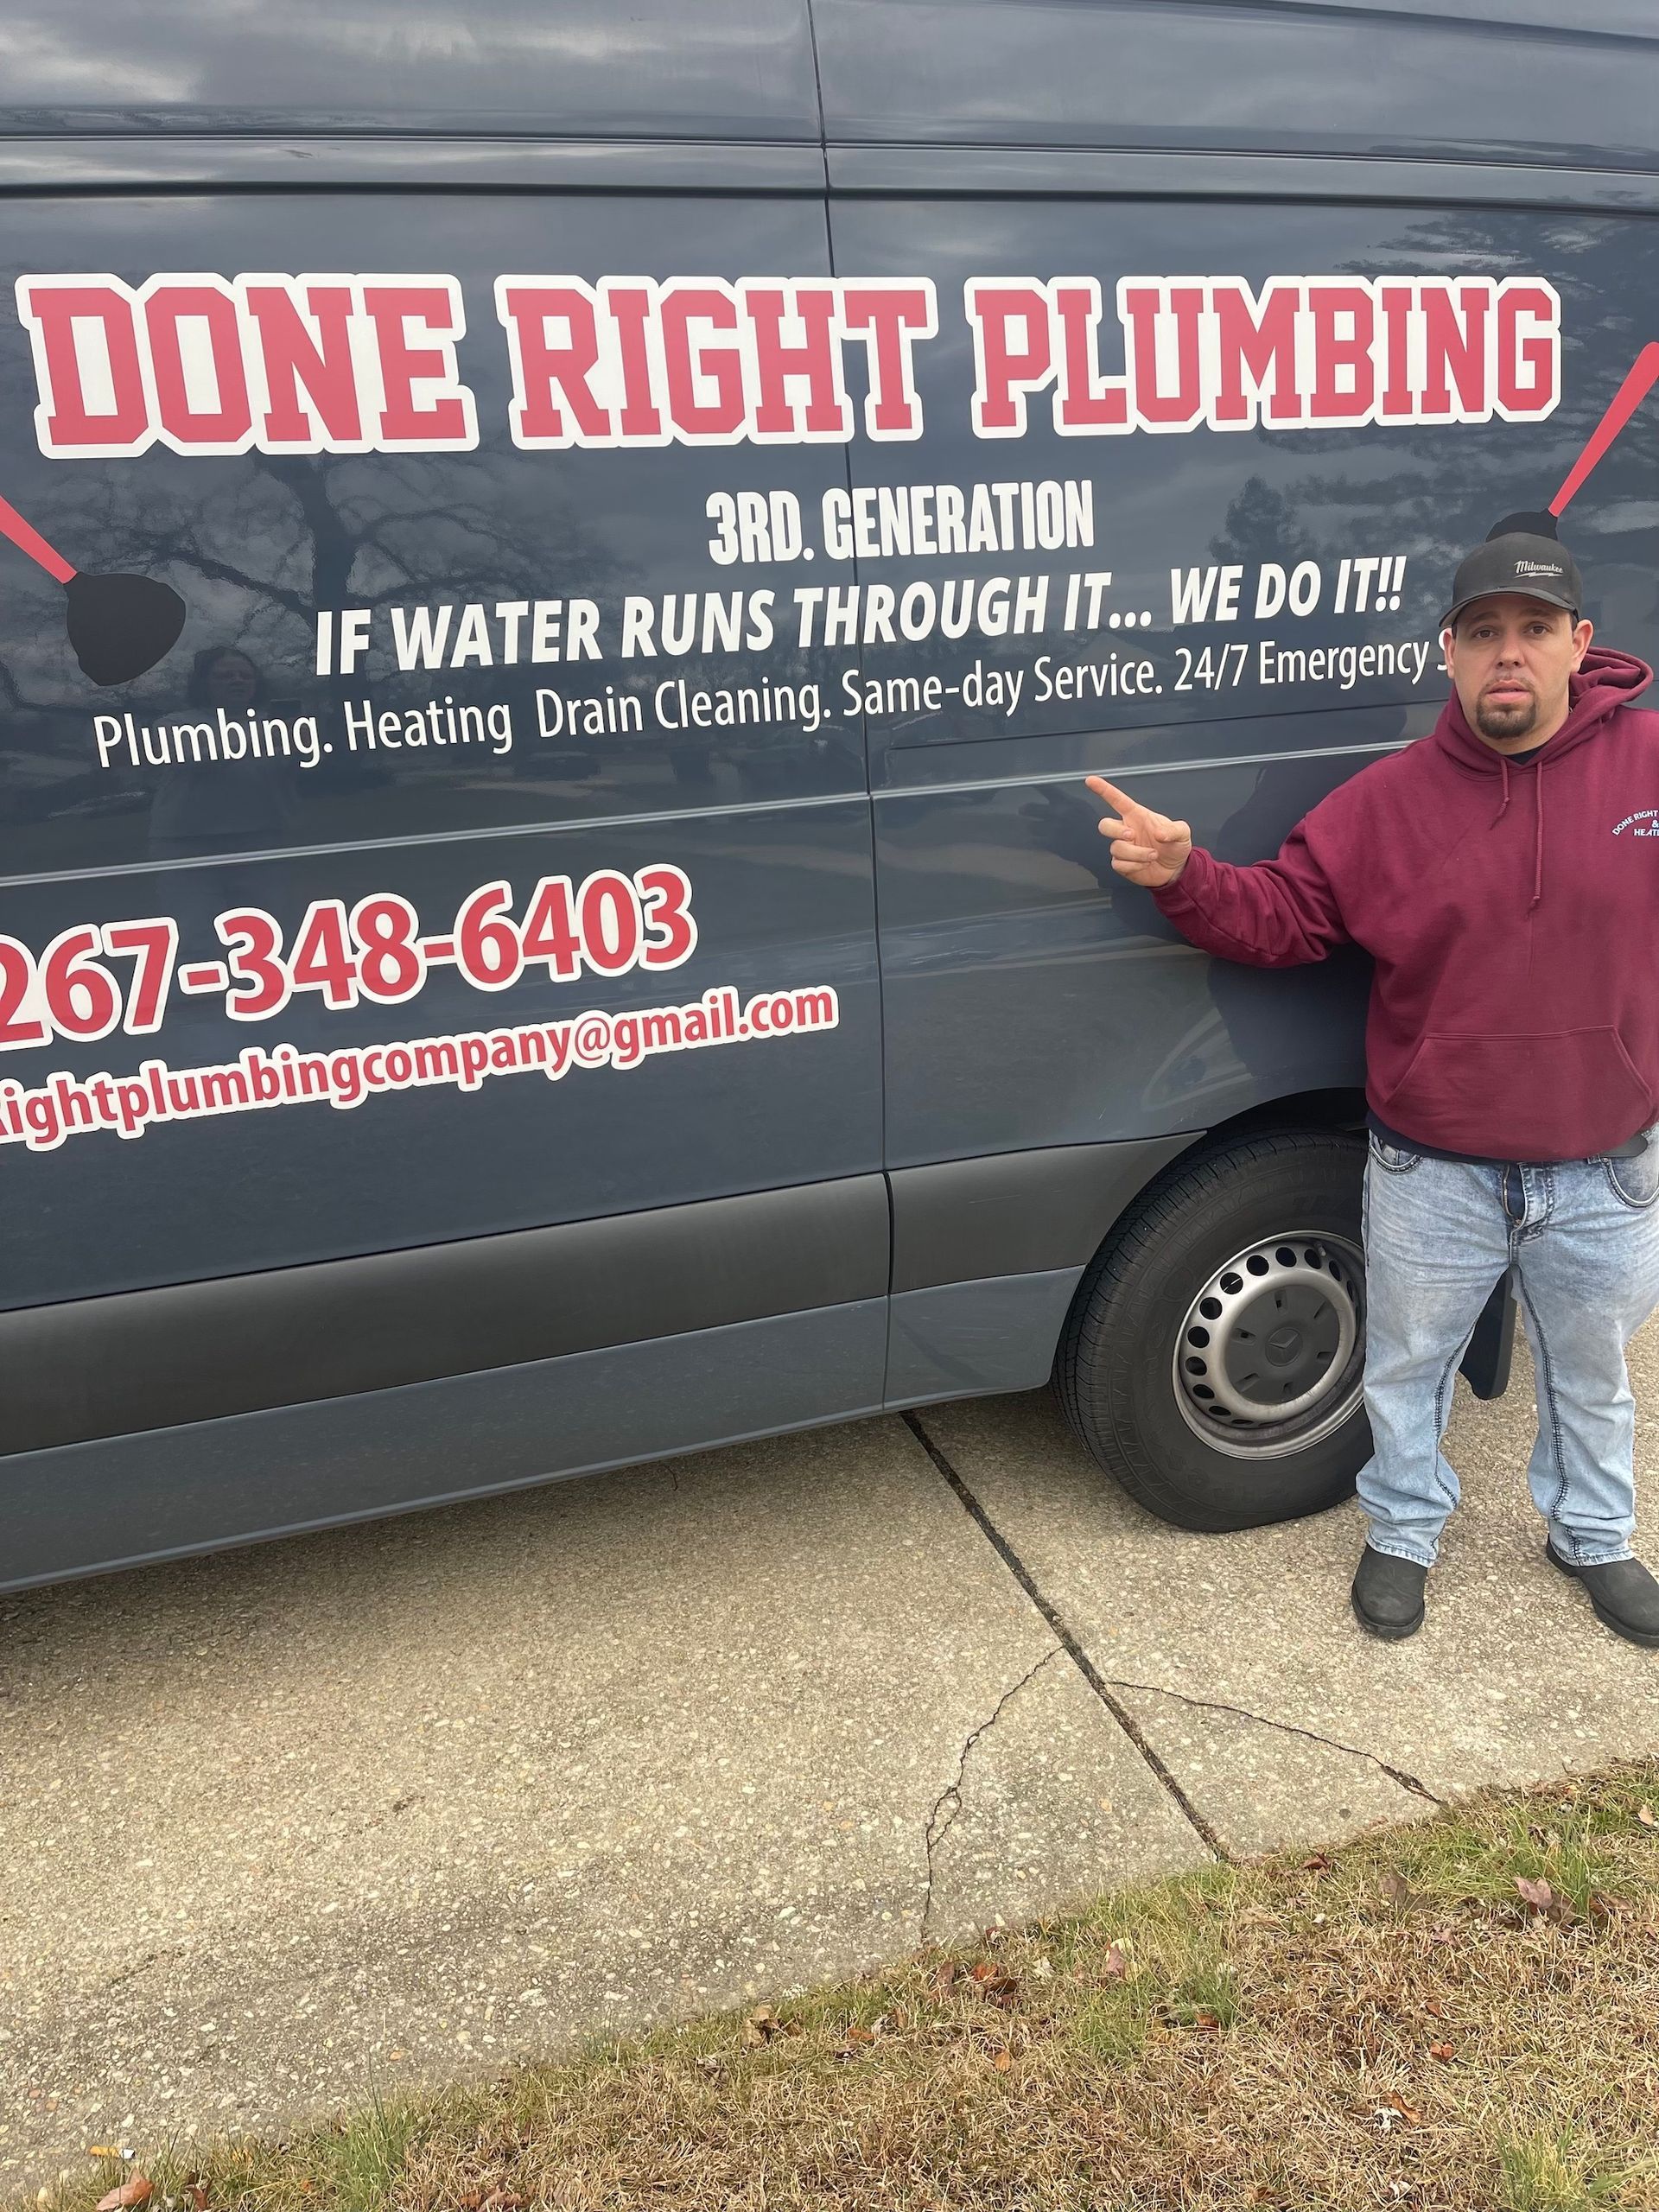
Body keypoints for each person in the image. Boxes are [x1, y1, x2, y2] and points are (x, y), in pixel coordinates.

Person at [1088, 517, 1659, 1646]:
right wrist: (1184, 875)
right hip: (1433, 1170)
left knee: (1593, 1377)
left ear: (1580, 641)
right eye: (1482, 631)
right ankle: (1403, 1529)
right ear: (1448, 652)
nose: (1508, 652)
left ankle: (1594, 1535)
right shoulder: (1388, 802)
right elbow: (1283, 916)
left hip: (1604, 1167)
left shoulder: (1649, 764)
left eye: (1534, 628)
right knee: (1406, 1372)